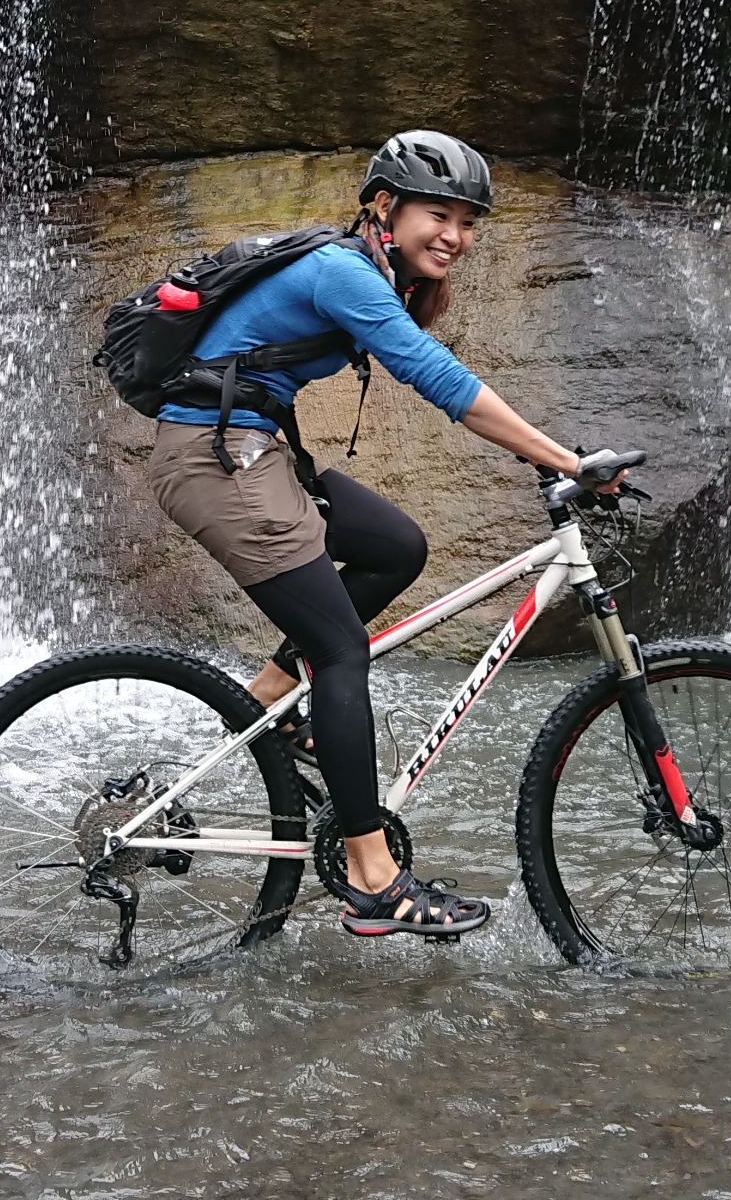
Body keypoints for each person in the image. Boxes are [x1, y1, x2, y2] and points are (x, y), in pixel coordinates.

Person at [145, 130, 618, 939]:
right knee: (340, 651)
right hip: (217, 457)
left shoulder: (366, 270)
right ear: (384, 207)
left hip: (253, 450)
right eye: (440, 214)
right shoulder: (342, 273)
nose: (456, 237)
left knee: (396, 547)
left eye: (469, 222)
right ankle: (371, 875)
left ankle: (265, 699)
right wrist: (567, 458)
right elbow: (443, 382)